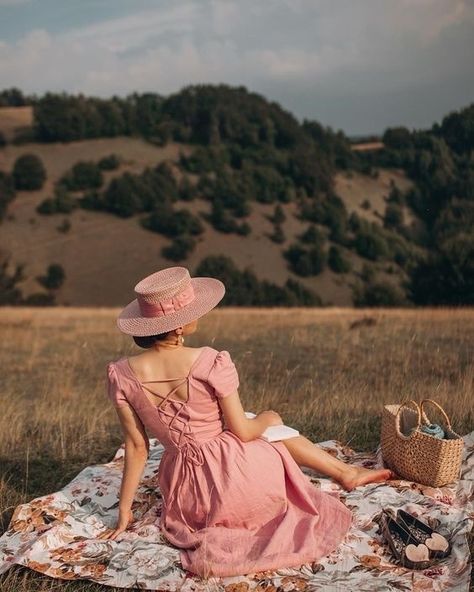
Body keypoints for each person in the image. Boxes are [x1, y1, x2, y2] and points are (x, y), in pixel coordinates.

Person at [99, 266, 393, 578]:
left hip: (186, 499)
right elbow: (242, 430)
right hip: (236, 485)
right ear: (180, 325)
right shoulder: (211, 360)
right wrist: (269, 417)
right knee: (262, 424)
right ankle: (346, 473)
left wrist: (124, 511)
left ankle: (346, 472)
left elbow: (137, 447)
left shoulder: (120, 374)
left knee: (252, 422)